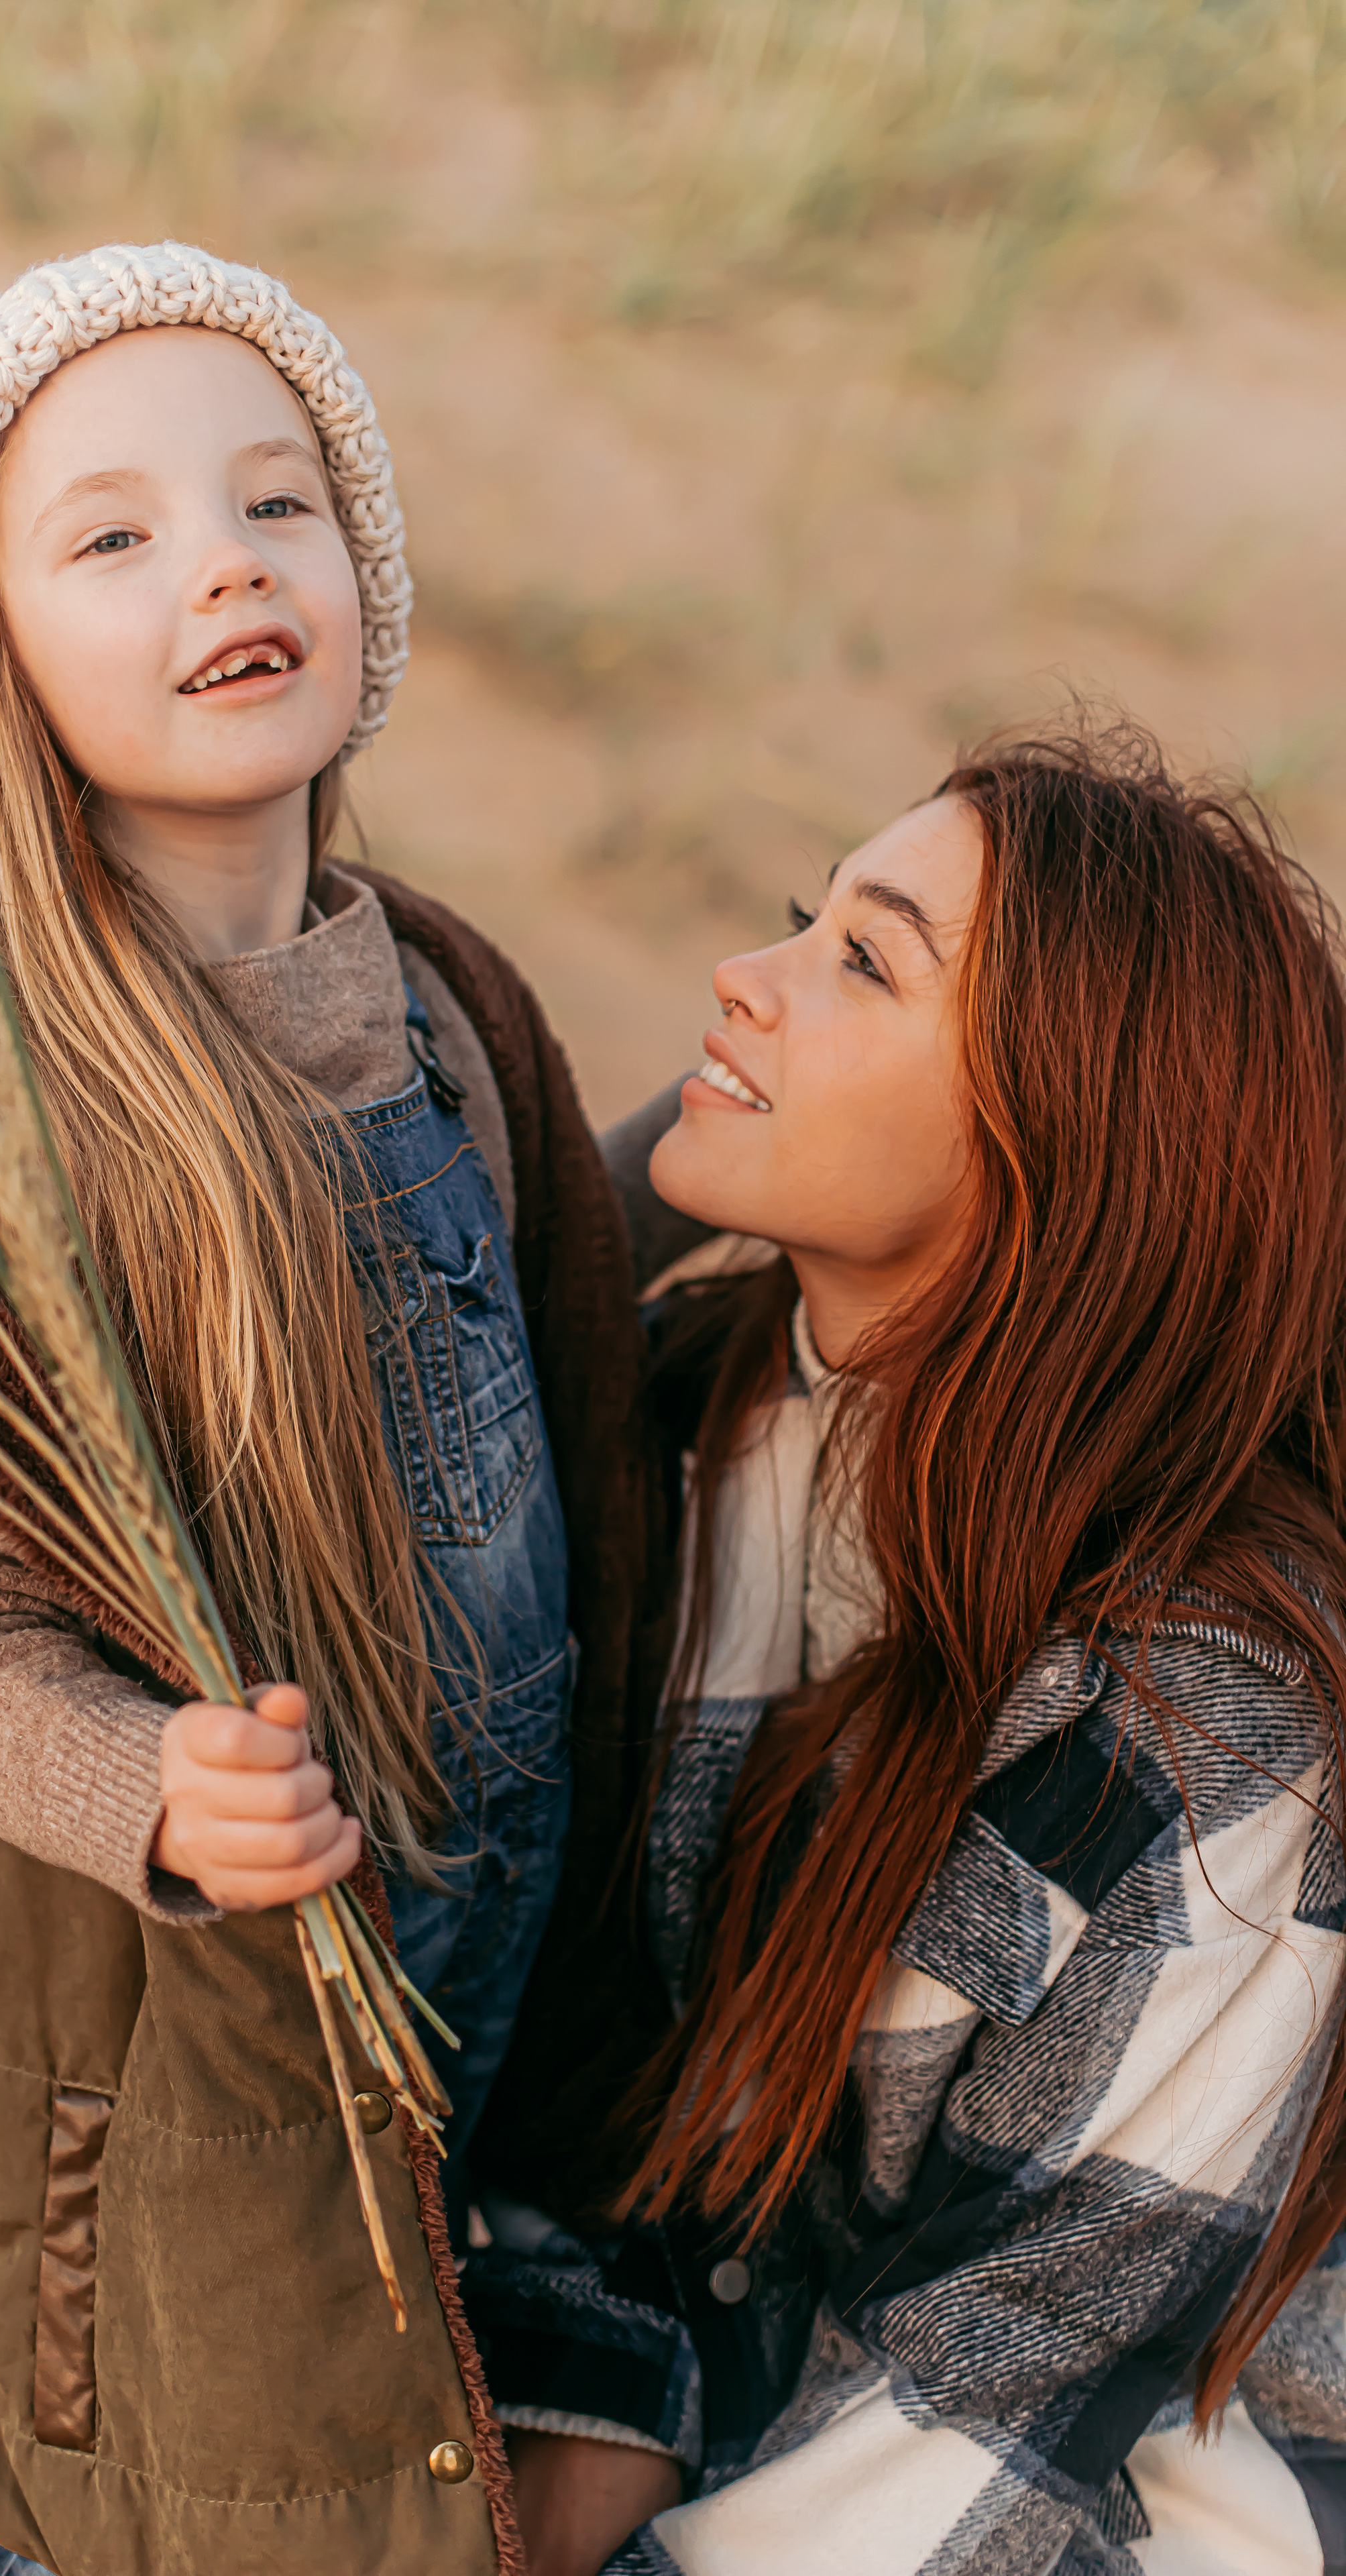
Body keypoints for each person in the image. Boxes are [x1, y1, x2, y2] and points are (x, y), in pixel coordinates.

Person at [0, 243, 696, 2576]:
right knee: (147, 2483)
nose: (222, 561)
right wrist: (154, 1788)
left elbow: (530, 1343)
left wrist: (696, 1185)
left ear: (360, 582)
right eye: (111, 536)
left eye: (277, 502)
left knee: (378, 2418)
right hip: (209, 1979)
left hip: (472, 1924)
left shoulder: (442, 1004)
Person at [464, 723, 1346, 2575]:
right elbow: (634, 2139)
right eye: (808, 917)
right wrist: (594, 2411)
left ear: (1063, 1148)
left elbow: (1010, 2414)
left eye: (863, 961)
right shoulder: (690, 1430)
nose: (742, 976)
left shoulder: (1225, 1729)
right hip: (726, 2400)